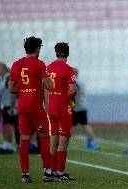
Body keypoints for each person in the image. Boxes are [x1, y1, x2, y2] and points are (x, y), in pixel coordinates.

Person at [9, 36, 54, 183]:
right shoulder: (40, 64)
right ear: (38, 48)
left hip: (22, 106)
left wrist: (23, 90)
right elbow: (50, 86)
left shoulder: (16, 64)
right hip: (36, 106)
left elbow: (11, 88)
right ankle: (47, 172)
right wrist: (42, 85)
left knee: (24, 139)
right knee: (44, 138)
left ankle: (25, 174)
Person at [47, 42, 77, 180]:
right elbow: (73, 90)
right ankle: (60, 172)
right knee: (64, 139)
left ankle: (51, 171)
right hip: (63, 107)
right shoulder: (68, 69)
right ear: (68, 53)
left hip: (51, 106)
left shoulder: (49, 67)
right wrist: (70, 98)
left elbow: (45, 88)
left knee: (54, 139)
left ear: (56, 52)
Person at [72, 68, 99, 150]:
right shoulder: (81, 82)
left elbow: (75, 95)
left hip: (76, 107)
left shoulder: (75, 82)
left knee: (69, 125)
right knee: (85, 124)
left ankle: (65, 143)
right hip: (83, 105)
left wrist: (72, 105)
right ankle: (94, 141)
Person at [0, 63, 19, 154]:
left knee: (13, 125)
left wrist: (12, 106)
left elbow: (13, 92)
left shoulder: (7, 78)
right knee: (6, 125)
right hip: (5, 105)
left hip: (10, 106)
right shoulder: (0, 79)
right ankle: (8, 145)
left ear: (4, 69)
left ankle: (15, 145)